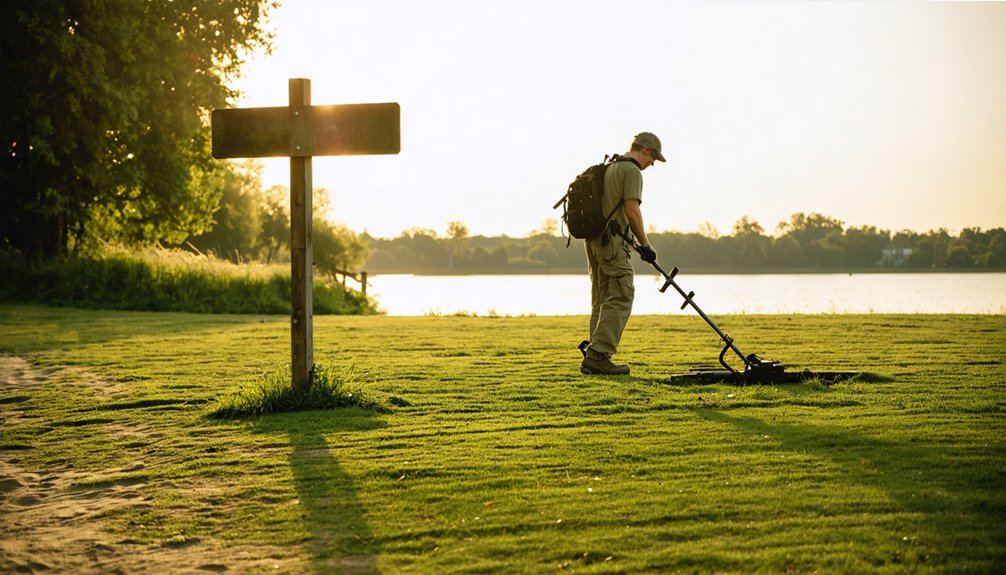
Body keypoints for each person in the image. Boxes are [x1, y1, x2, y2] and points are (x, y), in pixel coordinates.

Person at [580, 132, 665, 375]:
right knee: (621, 294)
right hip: (612, 243)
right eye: (653, 158)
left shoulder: (609, 167)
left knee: (602, 298)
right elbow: (631, 210)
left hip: (594, 241)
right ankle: (599, 355)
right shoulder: (631, 171)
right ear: (646, 150)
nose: (652, 164)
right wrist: (646, 245)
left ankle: (594, 356)